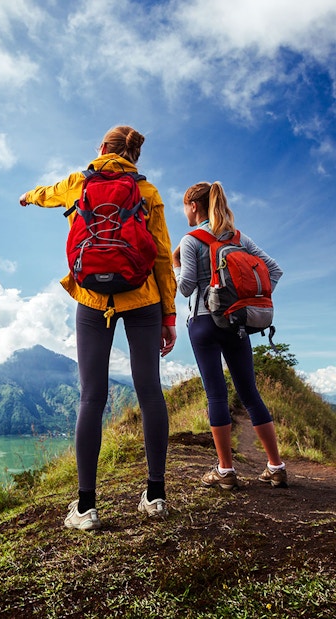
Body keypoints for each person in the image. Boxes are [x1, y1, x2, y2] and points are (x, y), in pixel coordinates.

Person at [19, 126, 177, 529]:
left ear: (103, 149)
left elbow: (47, 193)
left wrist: (29, 196)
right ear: (134, 156)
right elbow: (161, 255)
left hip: (91, 299)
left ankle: (86, 507)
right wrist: (169, 316)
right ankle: (155, 496)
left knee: (92, 397)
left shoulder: (79, 183)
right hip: (143, 299)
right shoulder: (148, 192)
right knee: (150, 394)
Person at [173, 181, 287, 490]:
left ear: (193, 206)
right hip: (236, 322)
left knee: (216, 395)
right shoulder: (238, 237)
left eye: (184, 206)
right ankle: (276, 467)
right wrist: (246, 299)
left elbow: (185, 288)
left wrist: (171, 274)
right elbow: (274, 270)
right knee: (249, 393)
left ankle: (225, 471)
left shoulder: (191, 240)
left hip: (203, 322)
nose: (184, 211)